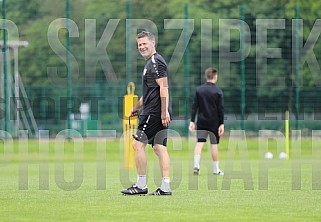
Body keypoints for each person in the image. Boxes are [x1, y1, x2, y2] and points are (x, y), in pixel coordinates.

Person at [121, 31, 172, 195]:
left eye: (144, 44)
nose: (142, 47)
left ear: (153, 43)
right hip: (155, 110)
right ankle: (165, 187)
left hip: (155, 111)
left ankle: (141, 185)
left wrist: (164, 111)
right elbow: (150, 92)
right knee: (159, 147)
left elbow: (164, 88)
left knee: (137, 144)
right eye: (139, 45)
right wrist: (136, 107)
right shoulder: (150, 63)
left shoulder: (156, 62)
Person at [189, 67, 224, 176]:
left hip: (201, 121)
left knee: (200, 143)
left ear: (206, 76)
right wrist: (221, 123)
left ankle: (196, 165)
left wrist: (192, 121)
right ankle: (216, 169)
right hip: (214, 122)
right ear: (215, 76)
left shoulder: (199, 90)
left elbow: (194, 106)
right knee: (214, 144)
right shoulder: (218, 92)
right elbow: (220, 109)